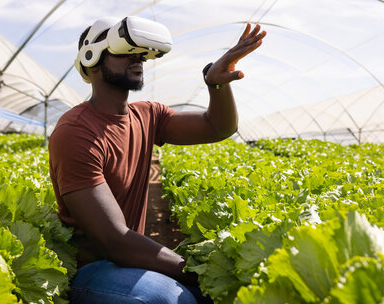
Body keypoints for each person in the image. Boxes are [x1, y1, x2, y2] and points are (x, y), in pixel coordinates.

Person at [48, 17, 267, 304]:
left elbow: (217, 127)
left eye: (140, 51)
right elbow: (113, 240)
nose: (137, 57)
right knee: (169, 298)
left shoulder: (148, 115)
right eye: (124, 50)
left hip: (128, 257)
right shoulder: (76, 132)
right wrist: (192, 271)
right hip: (90, 269)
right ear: (91, 59)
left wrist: (215, 84)